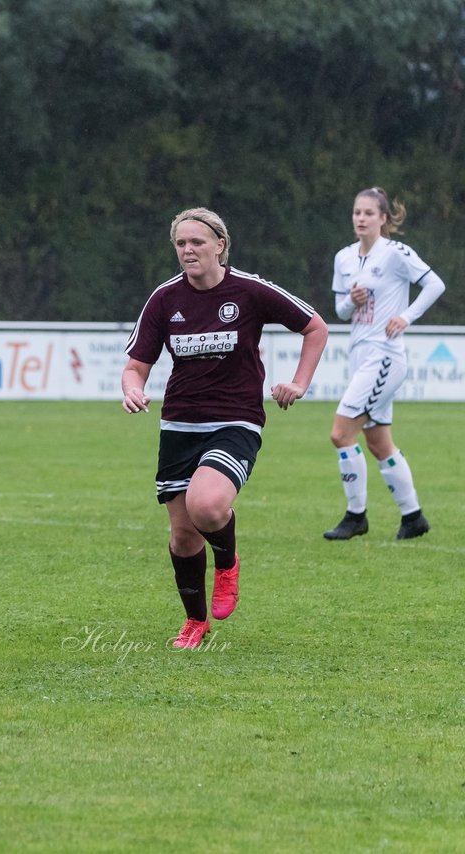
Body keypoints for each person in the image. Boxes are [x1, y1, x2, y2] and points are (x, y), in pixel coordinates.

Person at [121, 208, 327, 649]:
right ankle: (195, 622)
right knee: (182, 533)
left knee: (208, 505)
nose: (188, 251)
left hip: (236, 420)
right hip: (179, 424)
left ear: (220, 245)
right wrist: (133, 388)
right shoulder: (164, 299)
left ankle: (228, 563)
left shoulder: (249, 290)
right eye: (181, 244)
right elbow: (136, 366)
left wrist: (299, 382)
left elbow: (315, 327)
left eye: (197, 242)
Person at [322, 187, 445, 542]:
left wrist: (405, 317)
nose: (361, 218)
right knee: (378, 443)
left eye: (368, 213)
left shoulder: (395, 254)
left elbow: (435, 284)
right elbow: (341, 310)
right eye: (357, 212)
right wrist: (351, 299)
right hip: (360, 355)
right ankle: (414, 518)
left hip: (384, 357)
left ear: (383, 219)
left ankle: (355, 516)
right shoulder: (344, 257)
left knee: (340, 433)